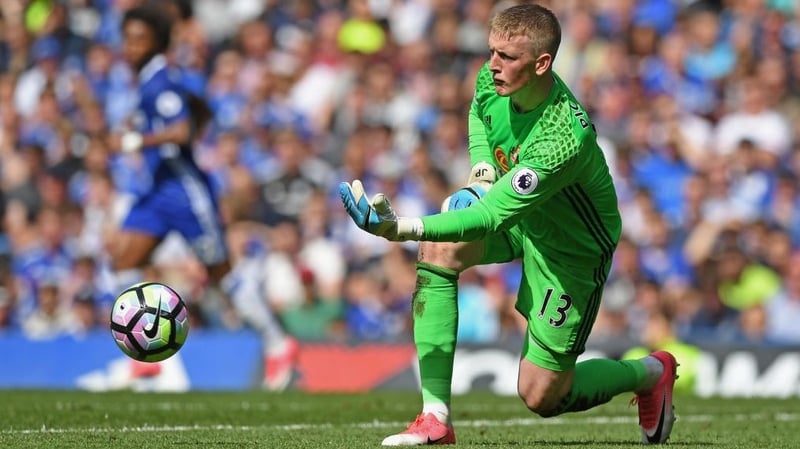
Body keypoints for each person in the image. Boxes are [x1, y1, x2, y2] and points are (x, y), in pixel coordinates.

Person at [340, 4, 678, 445]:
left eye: (508, 57)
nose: (493, 65)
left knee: (541, 395)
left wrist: (400, 228)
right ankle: (435, 418)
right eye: (492, 51)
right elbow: (479, 115)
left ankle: (649, 373)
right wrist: (481, 174)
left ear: (542, 63)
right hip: (524, 216)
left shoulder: (563, 136)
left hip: (570, 250)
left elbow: (490, 216)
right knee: (440, 248)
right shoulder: (493, 78)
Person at [107, 4, 296, 390]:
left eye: (139, 39)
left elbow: (181, 130)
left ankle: (279, 344)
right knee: (124, 259)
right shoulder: (154, 77)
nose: (130, 46)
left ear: (157, 42)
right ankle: (147, 357)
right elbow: (199, 109)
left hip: (185, 195)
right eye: (127, 38)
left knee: (222, 277)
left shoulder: (160, 80)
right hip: (158, 191)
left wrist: (136, 140)